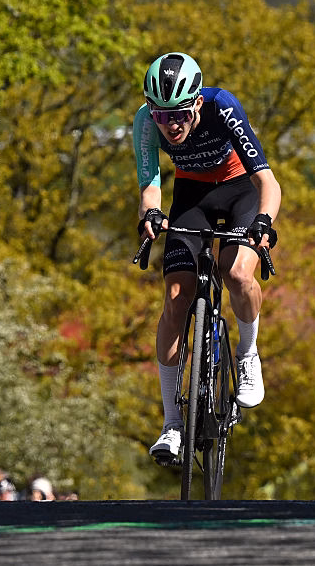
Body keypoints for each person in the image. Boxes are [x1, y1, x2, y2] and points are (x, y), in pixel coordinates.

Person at [132, 52, 281, 461]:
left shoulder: (223, 106)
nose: (170, 125)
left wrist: (264, 221)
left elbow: (267, 181)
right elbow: (150, 184)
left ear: (197, 102)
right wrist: (150, 214)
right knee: (176, 297)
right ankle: (171, 425)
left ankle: (248, 352)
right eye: (161, 116)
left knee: (235, 273)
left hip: (240, 191)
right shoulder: (146, 122)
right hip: (191, 195)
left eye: (179, 114)